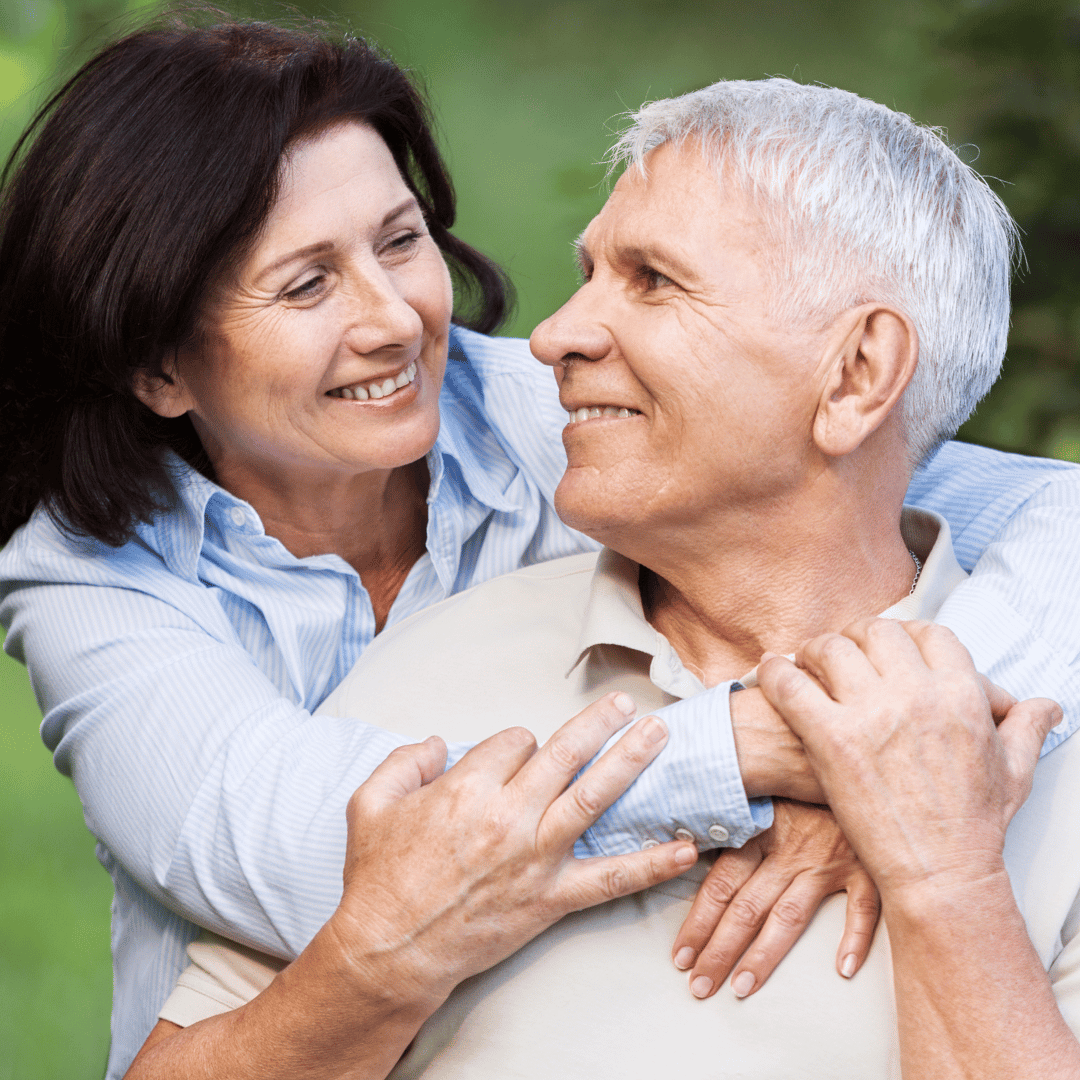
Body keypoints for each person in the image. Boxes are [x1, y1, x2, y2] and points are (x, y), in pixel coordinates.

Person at [0, 12, 1075, 1077]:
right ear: (159, 367)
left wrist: (907, 756)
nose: (400, 320)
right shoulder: (98, 581)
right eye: (305, 283)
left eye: (400, 239)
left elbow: (998, 495)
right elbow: (319, 852)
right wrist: (764, 753)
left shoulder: (569, 422)